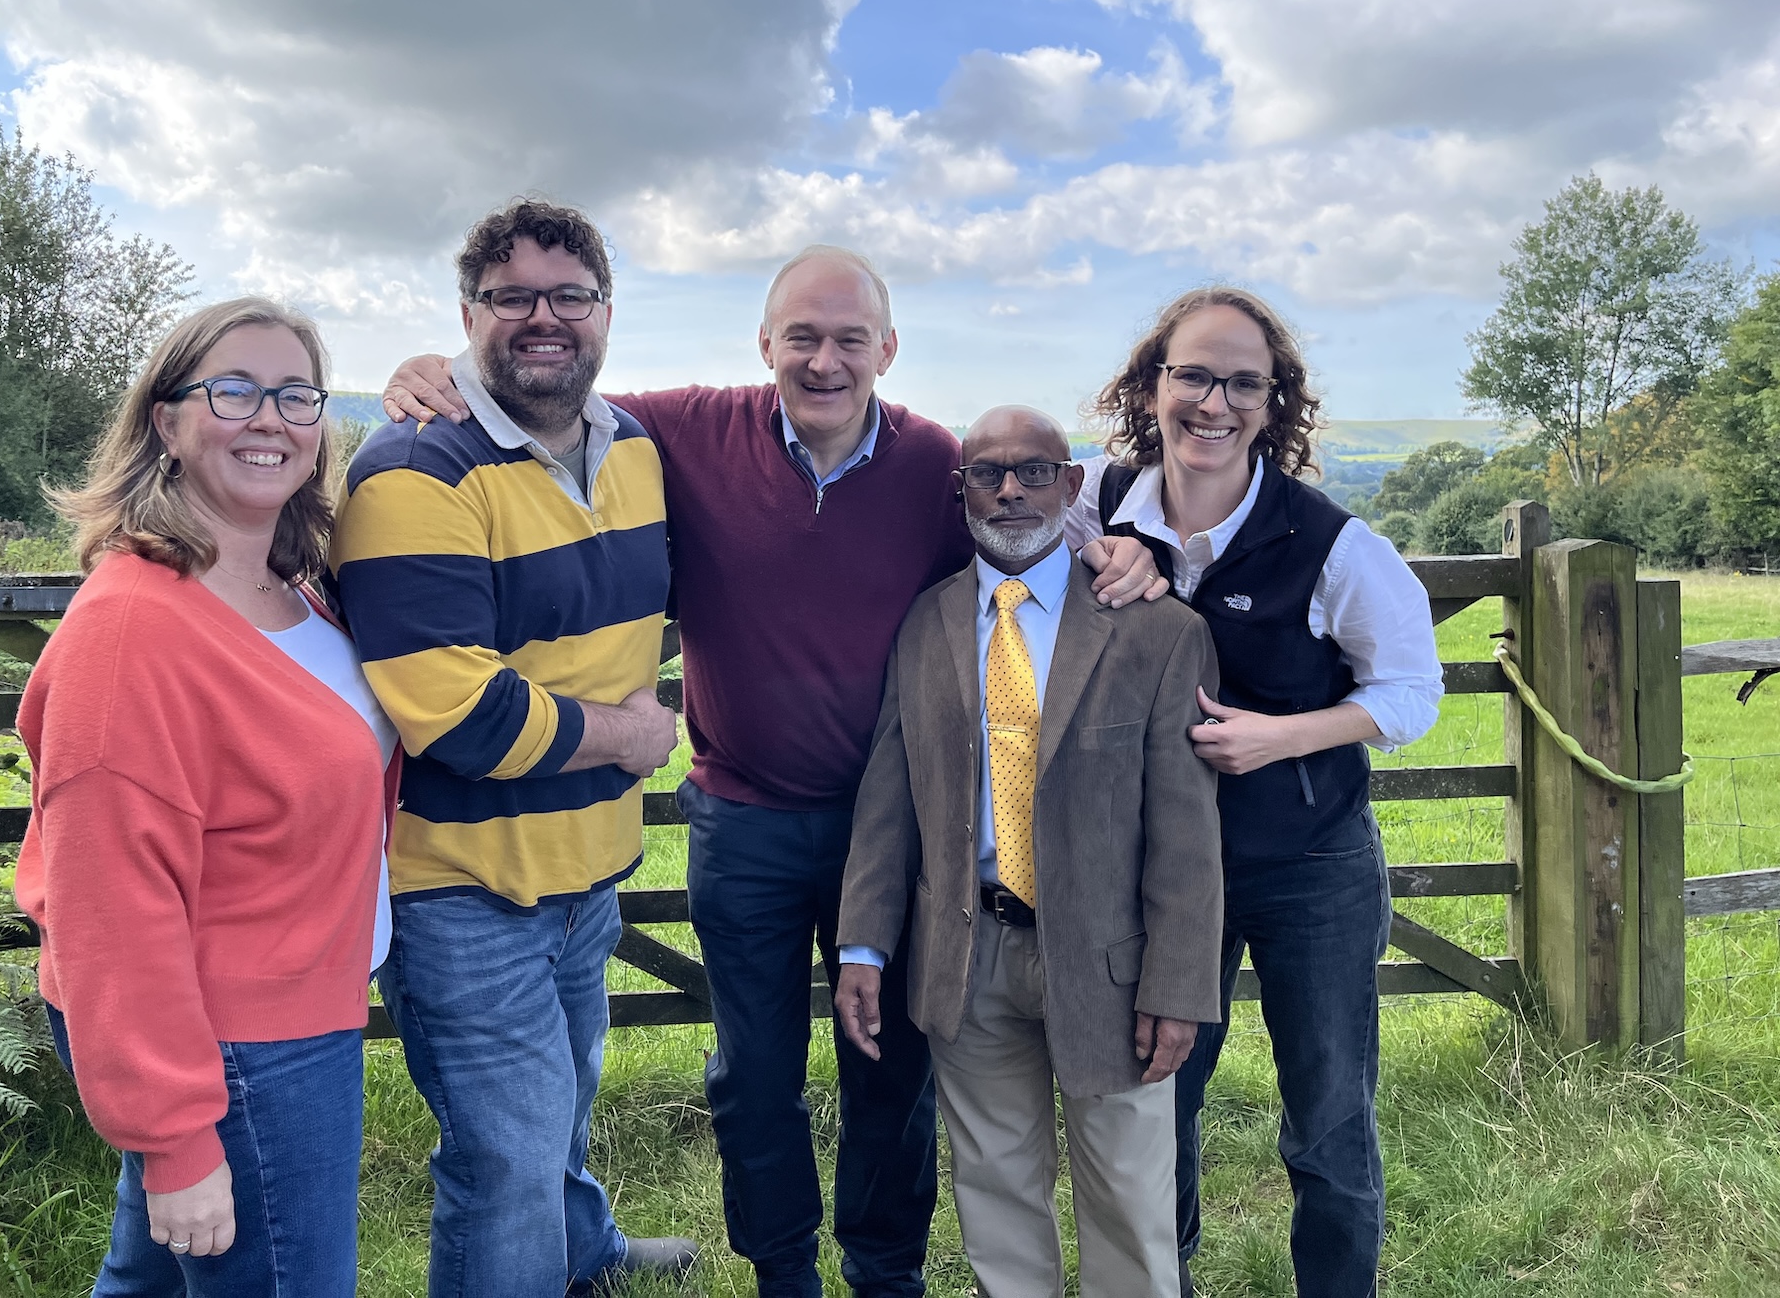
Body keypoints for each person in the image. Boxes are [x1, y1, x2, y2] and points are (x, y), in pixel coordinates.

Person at [382, 249, 1166, 1296]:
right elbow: (546, 384)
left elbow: (1028, 528)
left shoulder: (932, 464)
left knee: (891, 1071)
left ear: (886, 350)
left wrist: (1117, 548)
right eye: (800, 336)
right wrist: (432, 368)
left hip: (895, 833)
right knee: (753, 1081)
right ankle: (780, 1273)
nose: (824, 360)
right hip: (740, 820)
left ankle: (883, 1274)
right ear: (764, 345)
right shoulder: (683, 432)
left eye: (850, 339)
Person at [332, 199, 695, 1297]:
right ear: (467, 316)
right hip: (462, 890)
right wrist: (630, 736)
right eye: (512, 298)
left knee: (561, 1105)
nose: (544, 319)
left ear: (606, 312)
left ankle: (582, 1255)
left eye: (568, 296)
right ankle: (541, 1255)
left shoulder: (635, 445)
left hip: (586, 871)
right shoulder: (411, 473)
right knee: (502, 1158)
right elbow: (453, 711)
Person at [16, 297, 399, 1296]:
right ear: (167, 422)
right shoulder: (133, 630)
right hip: (231, 1040)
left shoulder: (291, 588)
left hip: (266, 1012)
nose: (269, 418)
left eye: (295, 395)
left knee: (147, 1281)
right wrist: (176, 1137)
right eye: (233, 391)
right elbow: (108, 904)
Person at [1067, 287, 1444, 1298]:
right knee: (1156, 1107)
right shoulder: (1091, 511)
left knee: (1326, 1116)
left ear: (1274, 403)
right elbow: (985, 505)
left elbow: (1410, 693)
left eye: (1243, 383)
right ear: (1151, 385)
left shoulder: (1333, 546)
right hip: (1152, 879)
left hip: (1305, 866)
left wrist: (1286, 737)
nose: (1213, 402)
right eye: (1192, 375)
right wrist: (1103, 553)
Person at [833, 405, 1224, 1298]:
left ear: (1073, 484)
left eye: (1035, 470)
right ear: (960, 488)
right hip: (968, 958)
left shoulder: (1159, 634)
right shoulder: (928, 624)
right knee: (995, 1192)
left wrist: (1176, 985)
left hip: (1111, 965)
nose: (1010, 490)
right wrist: (864, 943)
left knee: (1128, 1197)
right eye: (988, 473)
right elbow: (889, 796)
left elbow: (1187, 835)